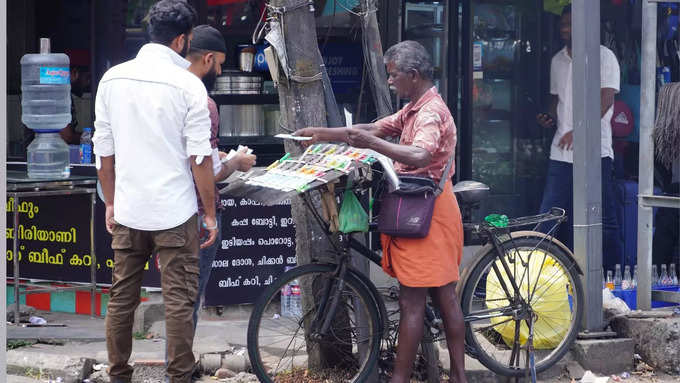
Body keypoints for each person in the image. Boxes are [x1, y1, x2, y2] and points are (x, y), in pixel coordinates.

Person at [296, 40, 467, 383]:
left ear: (413, 75)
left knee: (415, 302)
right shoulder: (414, 107)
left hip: (429, 214)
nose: (389, 82)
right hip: (424, 208)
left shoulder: (431, 112)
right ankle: (457, 378)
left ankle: (402, 379)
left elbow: (419, 155)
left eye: (393, 76)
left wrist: (373, 145)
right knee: (441, 296)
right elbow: (371, 129)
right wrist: (320, 135)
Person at [92, 1, 218, 382]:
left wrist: (111, 201)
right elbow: (200, 160)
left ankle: (118, 375)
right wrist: (209, 213)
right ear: (182, 40)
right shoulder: (188, 86)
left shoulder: (112, 79)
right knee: (178, 301)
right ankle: (179, 377)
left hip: (129, 209)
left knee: (121, 299)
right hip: (175, 213)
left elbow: (104, 155)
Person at [184, 22, 256, 348]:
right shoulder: (204, 102)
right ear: (208, 59)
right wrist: (235, 164)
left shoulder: (168, 95)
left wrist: (217, 157)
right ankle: (179, 367)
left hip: (168, 211)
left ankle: (176, 364)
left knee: (178, 296)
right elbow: (207, 172)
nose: (222, 69)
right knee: (190, 297)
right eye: (222, 62)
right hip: (197, 213)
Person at [536, 4, 623, 272]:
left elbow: (606, 100)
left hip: (595, 152)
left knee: (603, 218)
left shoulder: (604, 57)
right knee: (549, 215)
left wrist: (580, 130)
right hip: (560, 151)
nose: (563, 28)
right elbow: (556, 99)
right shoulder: (557, 60)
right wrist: (548, 116)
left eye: (569, 24)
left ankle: (610, 278)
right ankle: (541, 274)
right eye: (562, 24)